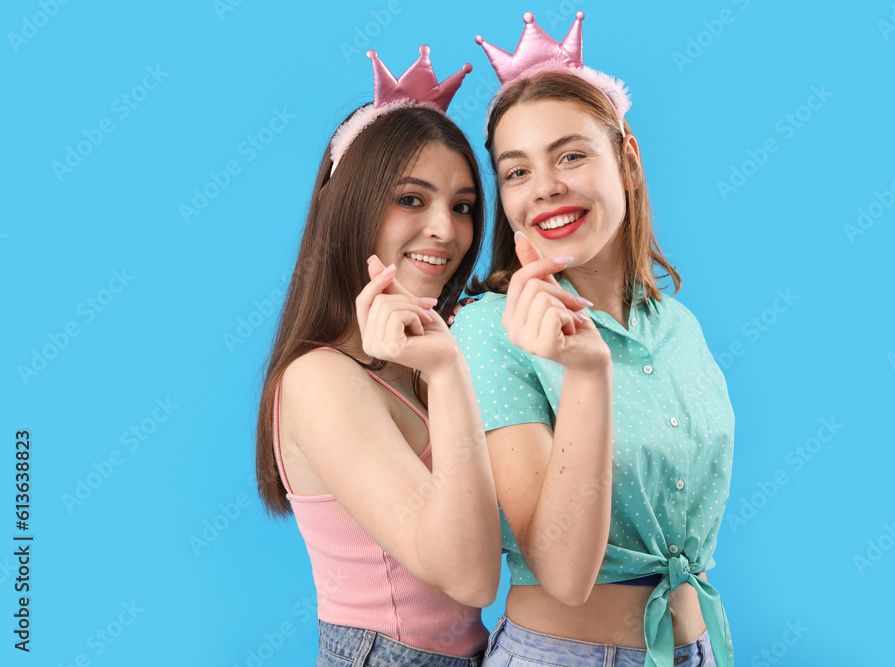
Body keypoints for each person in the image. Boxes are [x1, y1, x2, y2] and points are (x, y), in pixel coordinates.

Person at [450, 13, 735, 667]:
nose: (546, 186)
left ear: (627, 159)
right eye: (516, 172)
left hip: (693, 649)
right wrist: (586, 372)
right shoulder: (490, 332)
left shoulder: (677, 327)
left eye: (570, 154)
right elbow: (562, 571)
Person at [254, 45, 501, 667]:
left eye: (464, 206)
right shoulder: (319, 379)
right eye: (412, 199)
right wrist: (446, 373)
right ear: (352, 208)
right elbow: (471, 577)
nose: (446, 229)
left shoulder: (416, 361)